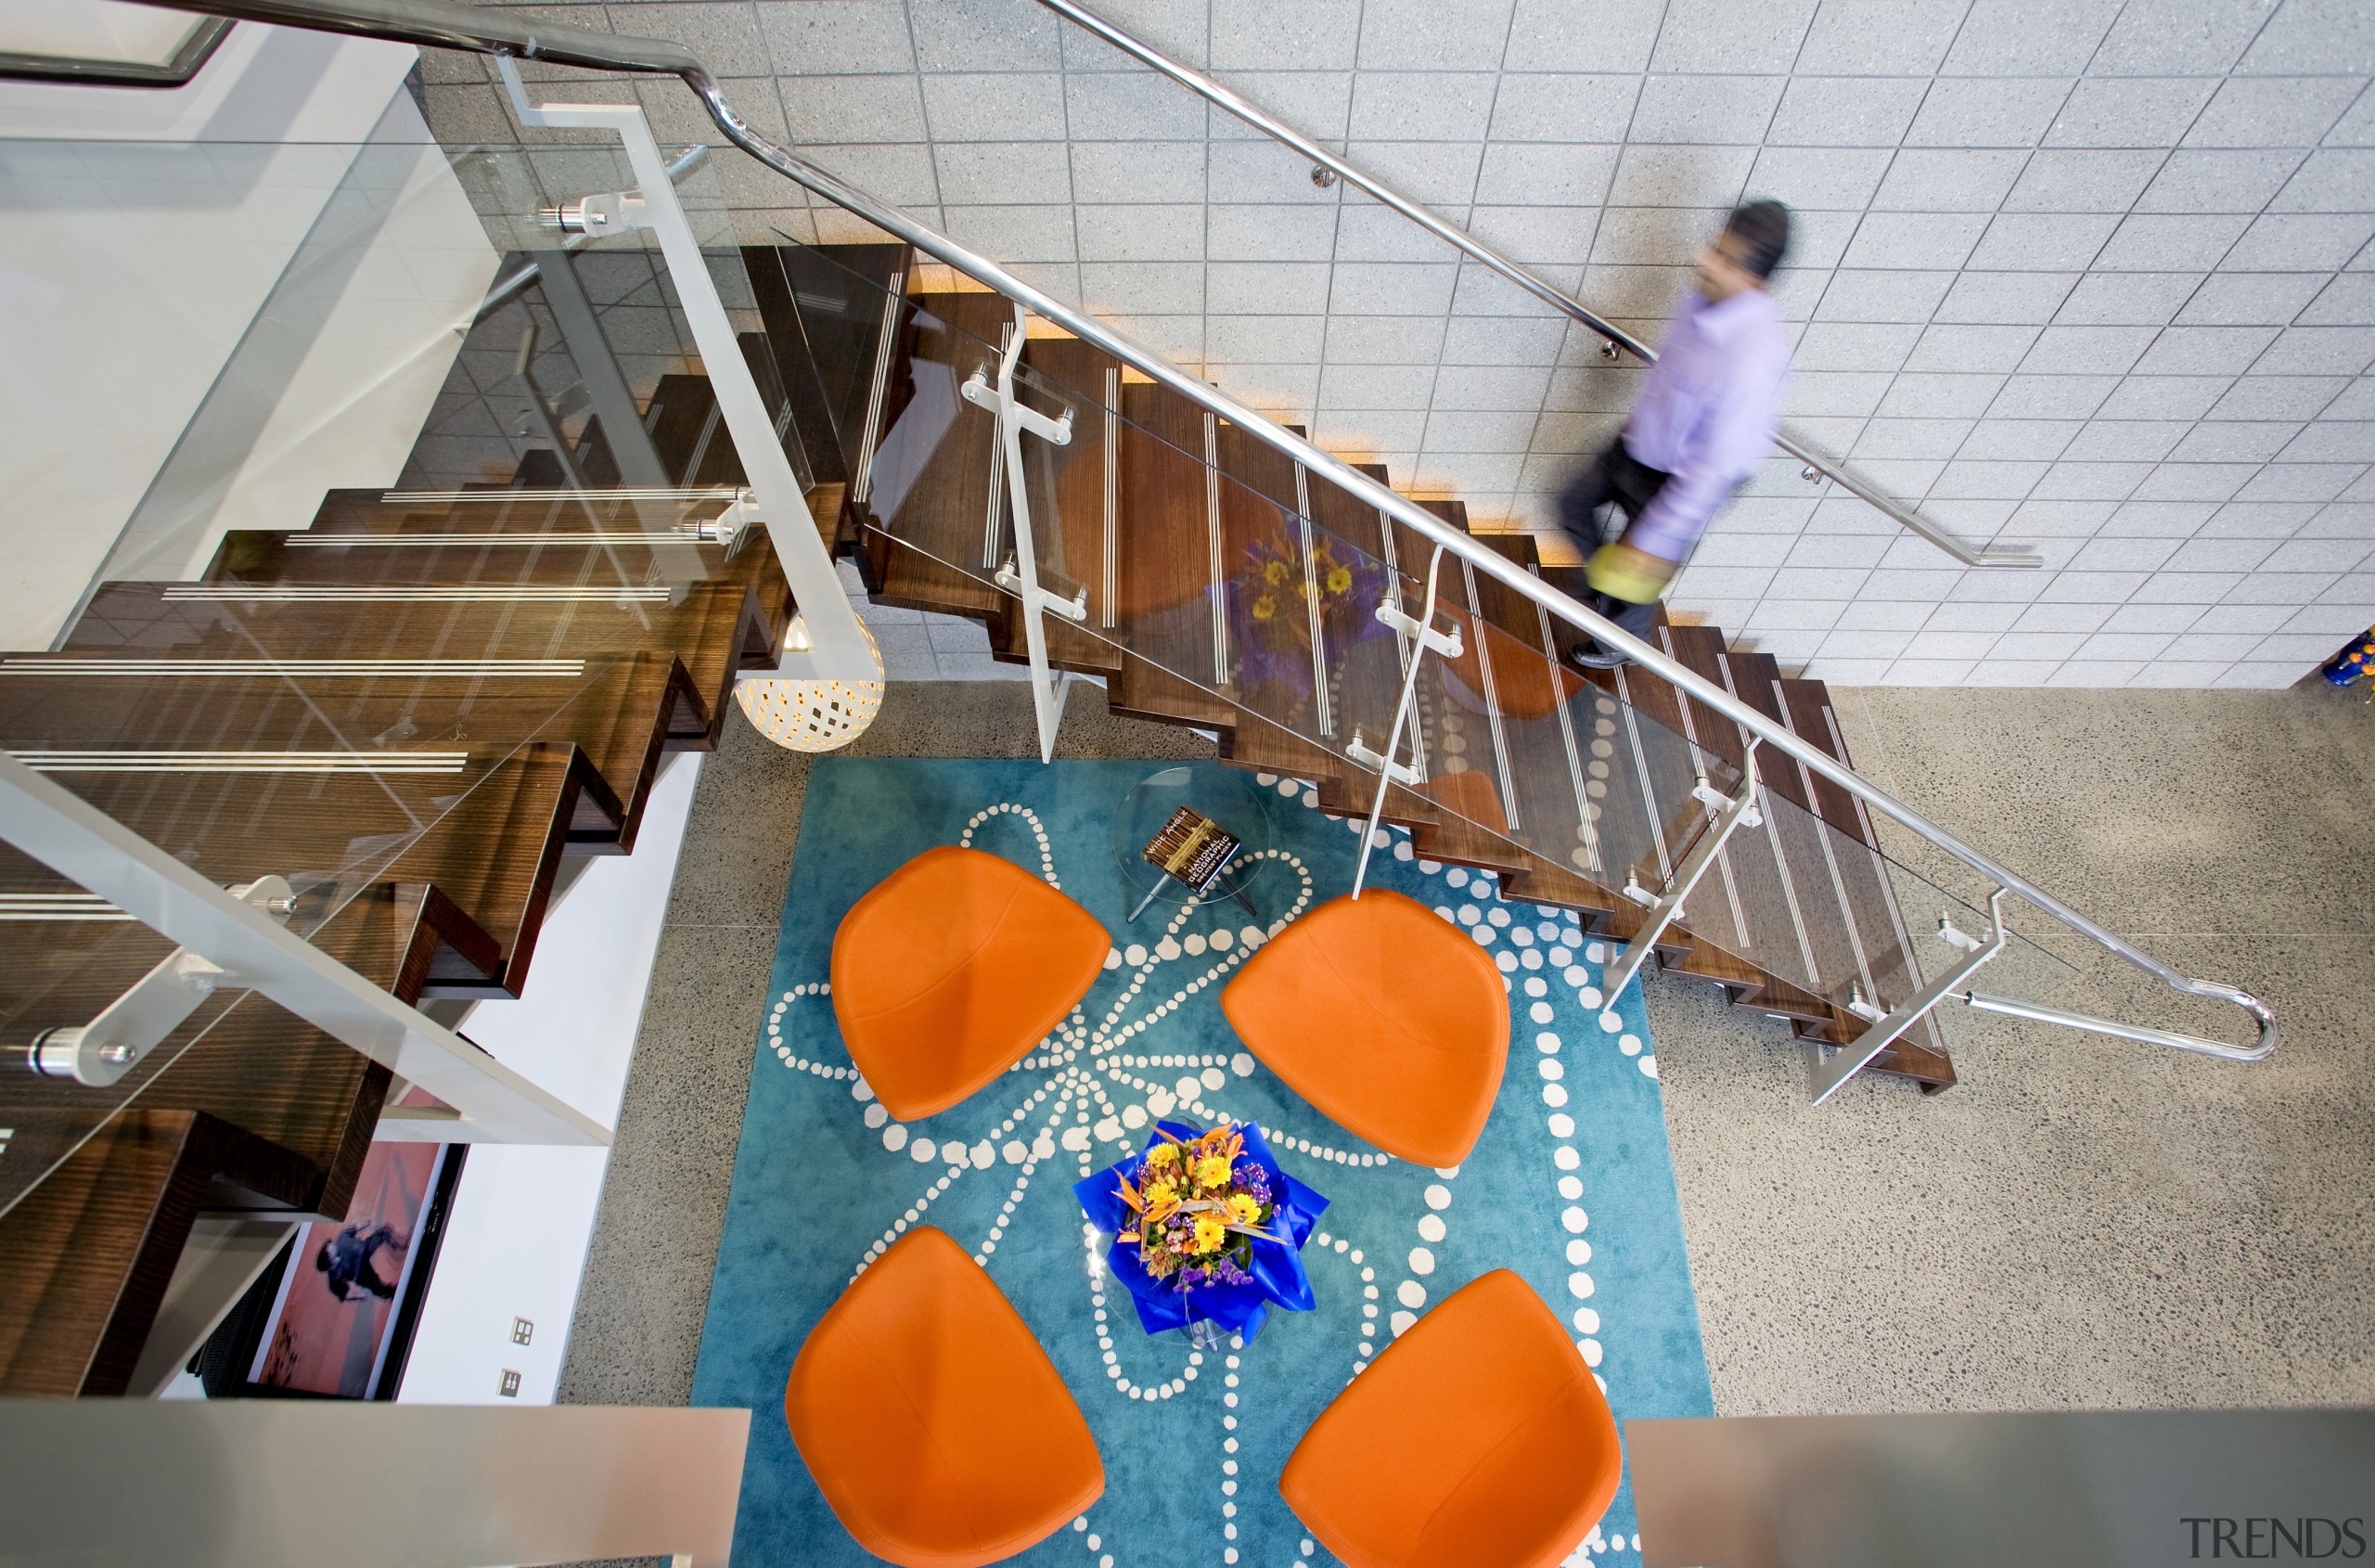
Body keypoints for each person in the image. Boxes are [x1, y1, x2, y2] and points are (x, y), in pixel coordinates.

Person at [1559, 199, 1794, 670]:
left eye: (1726, 260)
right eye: (1715, 248)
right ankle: (1603, 585)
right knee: (1570, 503)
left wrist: (1652, 540)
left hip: (1678, 478)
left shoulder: (1751, 363)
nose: (1707, 262)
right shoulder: (1700, 299)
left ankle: (1621, 643)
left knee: (1639, 570)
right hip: (1639, 441)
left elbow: (1711, 474)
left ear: (1755, 281)